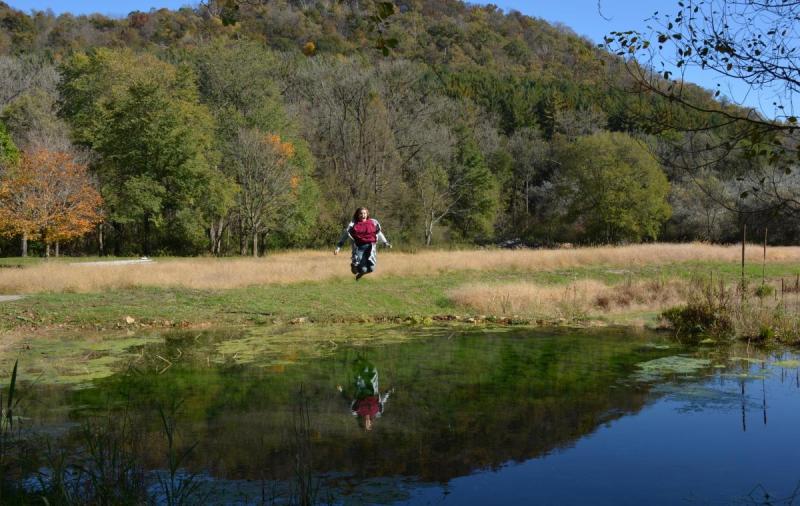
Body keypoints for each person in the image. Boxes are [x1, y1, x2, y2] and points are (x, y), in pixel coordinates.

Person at [337, 356, 393, 431]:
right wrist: (388, 392)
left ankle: (357, 360)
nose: (367, 423)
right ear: (371, 423)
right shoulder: (377, 412)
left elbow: (349, 401)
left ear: (362, 423)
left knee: (360, 374)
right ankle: (363, 360)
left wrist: (341, 391)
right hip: (373, 388)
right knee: (373, 369)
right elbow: (382, 400)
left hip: (361, 389)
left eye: (366, 424)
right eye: (369, 424)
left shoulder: (356, 411)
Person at [334, 207, 391, 280]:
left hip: (370, 248)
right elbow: (344, 237)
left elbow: (379, 234)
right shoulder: (353, 225)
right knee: (361, 269)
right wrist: (338, 248)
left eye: (364, 213)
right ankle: (354, 267)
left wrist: (385, 242)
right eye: (361, 213)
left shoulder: (373, 223)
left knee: (371, 268)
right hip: (359, 248)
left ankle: (360, 274)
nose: (363, 215)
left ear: (367, 214)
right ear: (357, 215)